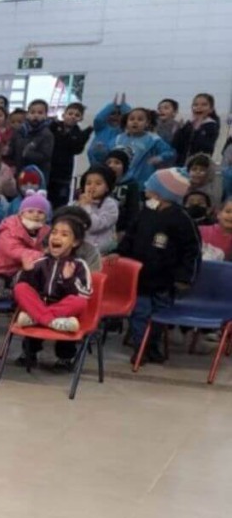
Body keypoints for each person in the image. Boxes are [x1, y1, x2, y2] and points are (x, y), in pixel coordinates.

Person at [118, 168, 201, 365]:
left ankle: (151, 345)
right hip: (141, 278)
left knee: (158, 316)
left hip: (165, 281)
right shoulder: (145, 212)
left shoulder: (181, 219)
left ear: (162, 192)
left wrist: (184, 277)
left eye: (151, 185)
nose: (146, 188)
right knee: (139, 313)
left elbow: (192, 250)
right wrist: (119, 252)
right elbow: (131, 235)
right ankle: (141, 347)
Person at [13, 212, 93, 370]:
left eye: (64, 235)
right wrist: (27, 272)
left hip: (64, 310)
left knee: (79, 303)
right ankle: (31, 350)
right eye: (54, 232)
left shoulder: (79, 265)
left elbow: (85, 293)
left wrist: (69, 280)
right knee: (20, 288)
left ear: (75, 242)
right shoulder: (40, 262)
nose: (56, 237)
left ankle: (64, 358)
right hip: (41, 305)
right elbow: (23, 288)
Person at [0, 192, 52, 297]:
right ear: (21, 213)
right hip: (0, 271)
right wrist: (41, 255)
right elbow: (12, 250)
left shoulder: (46, 231)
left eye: (40, 212)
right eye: (30, 211)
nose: (35, 215)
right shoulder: (9, 227)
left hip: (21, 271)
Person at [113, 107, 175, 187]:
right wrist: (99, 151)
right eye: (132, 119)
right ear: (127, 122)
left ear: (147, 123)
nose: (135, 122)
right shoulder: (119, 138)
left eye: (140, 119)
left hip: (142, 182)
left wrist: (159, 158)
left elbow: (170, 152)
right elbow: (109, 156)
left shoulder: (153, 139)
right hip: (120, 181)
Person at [48, 102, 92, 209]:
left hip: (64, 173)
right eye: (70, 113)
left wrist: (85, 135)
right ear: (64, 115)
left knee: (60, 202)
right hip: (49, 169)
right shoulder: (54, 126)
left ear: (80, 118)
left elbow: (77, 150)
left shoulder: (78, 134)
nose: (73, 117)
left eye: (77, 115)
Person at [71, 166, 120, 253]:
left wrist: (86, 206)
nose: (92, 187)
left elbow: (94, 226)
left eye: (98, 184)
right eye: (88, 183)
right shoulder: (77, 203)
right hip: (78, 250)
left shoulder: (110, 205)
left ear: (107, 187)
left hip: (100, 254)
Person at [6, 99, 56, 182]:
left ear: (45, 115)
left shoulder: (47, 134)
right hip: (19, 171)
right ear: (27, 114)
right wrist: (8, 151)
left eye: (40, 113)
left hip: (38, 173)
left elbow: (45, 155)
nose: (36, 115)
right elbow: (13, 148)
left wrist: (28, 154)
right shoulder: (20, 131)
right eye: (32, 112)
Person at [173, 93, 221, 164]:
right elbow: (176, 144)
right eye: (195, 105)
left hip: (199, 166)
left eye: (204, 105)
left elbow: (204, 147)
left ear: (211, 109)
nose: (199, 107)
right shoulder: (189, 124)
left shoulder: (211, 125)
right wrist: (179, 128)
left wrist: (197, 128)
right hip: (181, 164)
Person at [105, 148, 143, 235]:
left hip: (120, 229)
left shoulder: (131, 184)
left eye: (117, 163)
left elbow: (133, 210)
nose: (112, 165)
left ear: (125, 166)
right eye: (109, 162)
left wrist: (126, 231)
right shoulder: (102, 182)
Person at [88, 93, 131, 166]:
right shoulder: (101, 128)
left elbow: (130, 120)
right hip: (96, 166)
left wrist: (124, 107)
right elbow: (99, 119)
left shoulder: (123, 130)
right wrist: (111, 106)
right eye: (113, 113)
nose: (116, 116)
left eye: (119, 114)